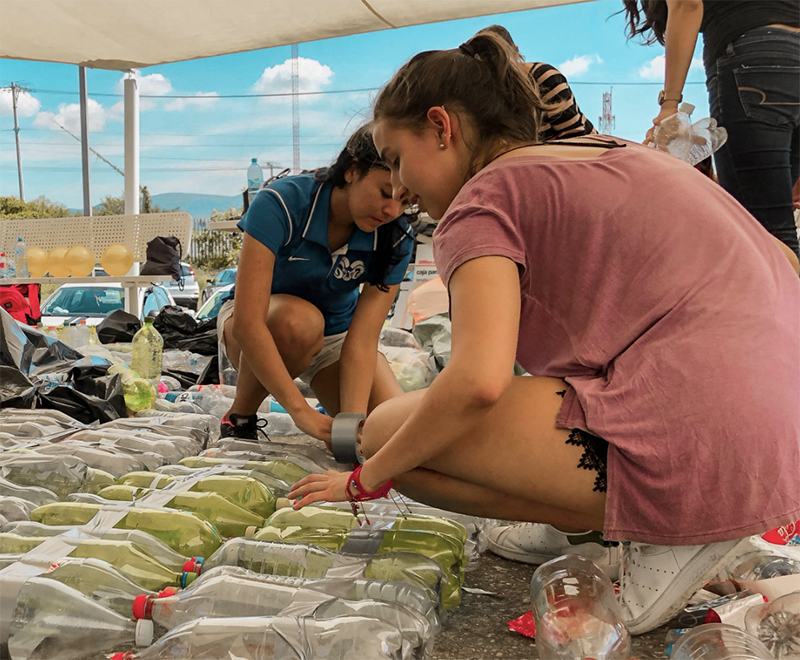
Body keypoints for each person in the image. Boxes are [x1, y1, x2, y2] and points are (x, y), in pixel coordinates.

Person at [288, 32, 800, 635]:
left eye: (397, 158)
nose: (399, 189)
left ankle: (667, 531)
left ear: (441, 126)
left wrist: (363, 479)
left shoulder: (481, 204)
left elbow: (477, 382)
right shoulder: (615, 154)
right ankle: (593, 525)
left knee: (383, 436)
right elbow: (783, 260)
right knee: (436, 432)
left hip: (706, 442)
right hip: (777, 434)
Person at [218, 125, 414, 445]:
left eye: (404, 201)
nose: (392, 210)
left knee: (389, 434)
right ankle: (241, 416)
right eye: (384, 193)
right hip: (258, 327)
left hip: (337, 337)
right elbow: (248, 323)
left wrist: (350, 427)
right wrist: (301, 412)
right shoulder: (280, 202)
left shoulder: (396, 237)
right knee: (300, 323)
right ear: (351, 171)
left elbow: (362, 341)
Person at [622, 0, 800, 257]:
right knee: (775, 227)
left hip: (752, 58)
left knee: (762, 238)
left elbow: (687, 3)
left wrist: (670, 104)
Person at [480, 24, 596, 141]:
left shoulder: (544, 78)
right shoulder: (491, 95)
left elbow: (574, 139)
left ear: (516, 52)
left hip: (591, 152)